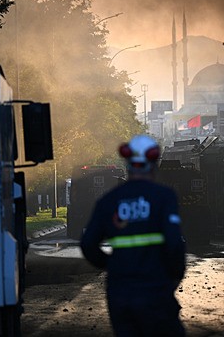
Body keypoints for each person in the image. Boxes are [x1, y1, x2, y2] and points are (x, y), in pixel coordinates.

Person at [80, 135, 186, 337]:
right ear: (154, 163)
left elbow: (88, 244)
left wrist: (112, 265)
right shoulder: (164, 197)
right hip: (156, 290)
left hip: (120, 294)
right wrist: (173, 276)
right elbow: (174, 244)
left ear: (127, 163)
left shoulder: (108, 201)